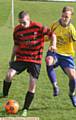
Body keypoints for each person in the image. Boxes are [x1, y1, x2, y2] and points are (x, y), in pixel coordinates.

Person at [0, 11, 56, 116]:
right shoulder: (17, 30)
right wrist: (12, 58)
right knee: (9, 75)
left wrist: (53, 45)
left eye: (24, 22)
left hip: (35, 60)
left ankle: (25, 109)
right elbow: (16, 45)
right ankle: (5, 93)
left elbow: (52, 35)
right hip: (21, 58)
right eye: (20, 22)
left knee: (32, 85)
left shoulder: (38, 27)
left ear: (29, 19)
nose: (22, 25)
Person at [45, 6, 76, 107]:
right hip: (54, 51)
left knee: (73, 78)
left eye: (66, 17)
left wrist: (73, 55)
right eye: (63, 16)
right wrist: (39, 39)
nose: (63, 18)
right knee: (49, 61)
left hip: (67, 55)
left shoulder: (72, 30)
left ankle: (72, 94)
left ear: (71, 17)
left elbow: (75, 44)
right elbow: (47, 36)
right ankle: (55, 86)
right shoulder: (54, 25)